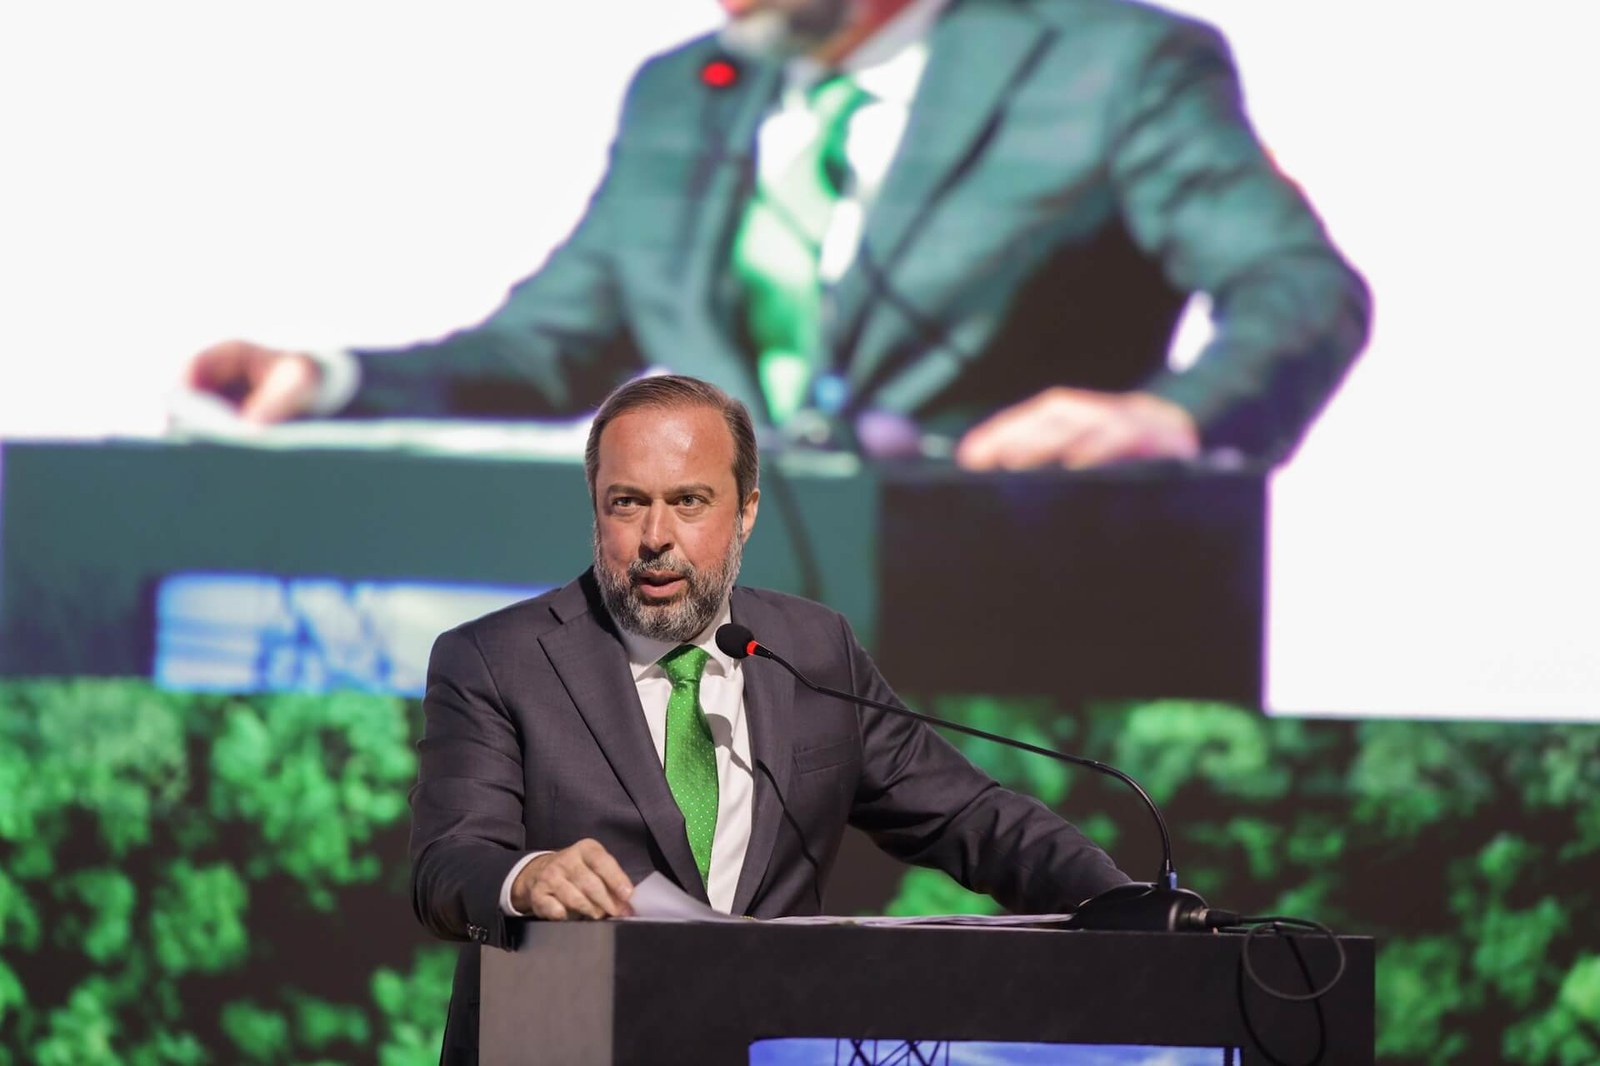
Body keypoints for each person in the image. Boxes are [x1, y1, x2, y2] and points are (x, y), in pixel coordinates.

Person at [189, 0, 1369, 470]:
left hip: (1008, 654)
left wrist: (1174, 415)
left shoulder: (1108, 66)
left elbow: (1298, 288)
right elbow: (549, 348)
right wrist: (331, 380)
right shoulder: (681, 95)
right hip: (726, 673)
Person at [409, 374, 1130, 1062]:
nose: (656, 535)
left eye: (689, 502)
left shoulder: (812, 652)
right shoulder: (497, 660)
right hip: (568, 1044)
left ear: (747, 509)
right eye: (627, 503)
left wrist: (1124, 905)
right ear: (595, 506)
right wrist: (524, 878)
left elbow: (974, 819)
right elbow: (447, 868)